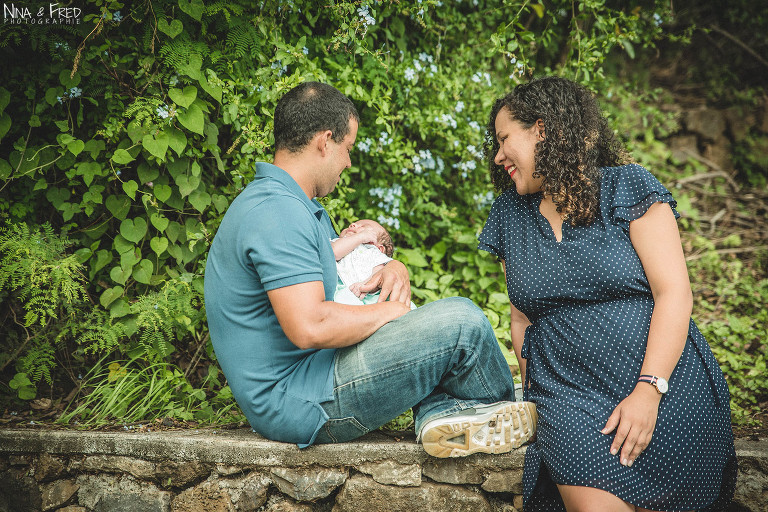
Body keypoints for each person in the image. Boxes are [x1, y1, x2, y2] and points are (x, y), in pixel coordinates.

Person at [204, 81, 537, 458]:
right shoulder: (275, 212)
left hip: (316, 376)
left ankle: (443, 416)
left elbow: (342, 272)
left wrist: (391, 266)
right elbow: (310, 325)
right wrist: (391, 313)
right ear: (325, 141)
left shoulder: (293, 206)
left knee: (444, 324)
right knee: (463, 324)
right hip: (302, 397)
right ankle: (507, 411)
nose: (348, 162)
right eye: (347, 149)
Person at [478, 76, 736, 511]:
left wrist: (649, 391)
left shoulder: (627, 188)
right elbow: (521, 318)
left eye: (504, 139)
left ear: (542, 129)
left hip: (662, 382)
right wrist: (531, 390)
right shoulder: (509, 215)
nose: (498, 154)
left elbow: (674, 293)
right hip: (568, 397)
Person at [331, 219, 400, 306]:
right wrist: (361, 236)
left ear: (379, 248)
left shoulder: (373, 252)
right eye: (353, 224)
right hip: (343, 292)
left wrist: (365, 284)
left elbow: (379, 273)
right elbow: (334, 252)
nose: (352, 224)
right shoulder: (337, 243)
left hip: (370, 297)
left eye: (364, 227)